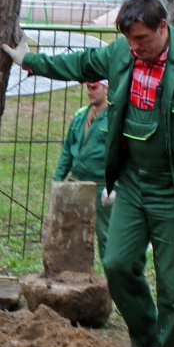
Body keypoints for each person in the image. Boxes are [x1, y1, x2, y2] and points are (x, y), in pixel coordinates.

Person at [2, 0, 174, 347]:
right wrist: (30, 60)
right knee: (117, 263)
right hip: (133, 185)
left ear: (163, 27)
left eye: (141, 38)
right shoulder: (123, 54)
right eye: (129, 39)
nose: (134, 46)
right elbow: (79, 63)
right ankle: (144, 338)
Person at [54, 79, 111, 260]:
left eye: (95, 87)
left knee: (106, 236)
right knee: (73, 234)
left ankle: (113, 281)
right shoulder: (80, 115)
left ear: (106, 88)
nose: (90, 91)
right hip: (77, 184)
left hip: (102, 186)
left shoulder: (114, 117)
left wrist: (115, 184)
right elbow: (67, 151)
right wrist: (58, 179)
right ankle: (75, 275)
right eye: (88, 87)